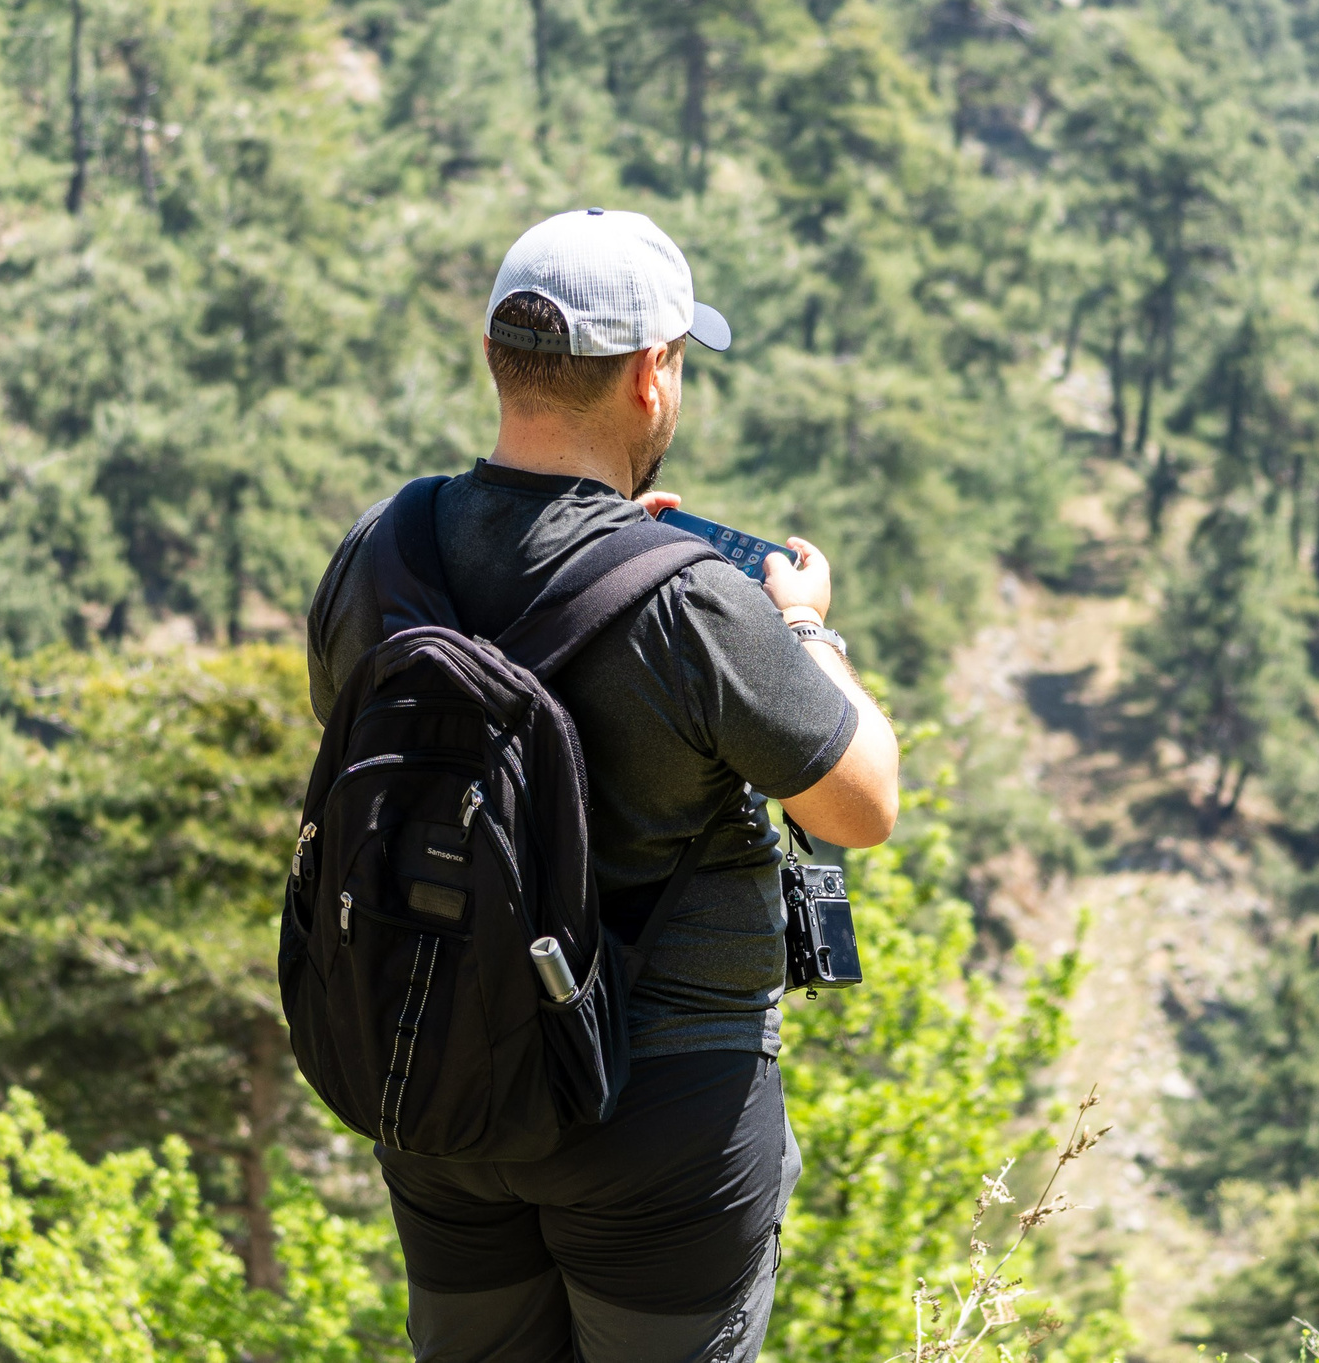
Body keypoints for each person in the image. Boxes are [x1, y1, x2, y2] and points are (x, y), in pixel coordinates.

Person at [305, 206, 900, 1363]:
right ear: (650, 376)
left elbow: (361, 728)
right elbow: (860, 806)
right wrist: (806, 631)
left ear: (496, 357)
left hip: (438, 1076)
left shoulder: (382, 548)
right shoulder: (693, 602)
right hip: (658, 1109)